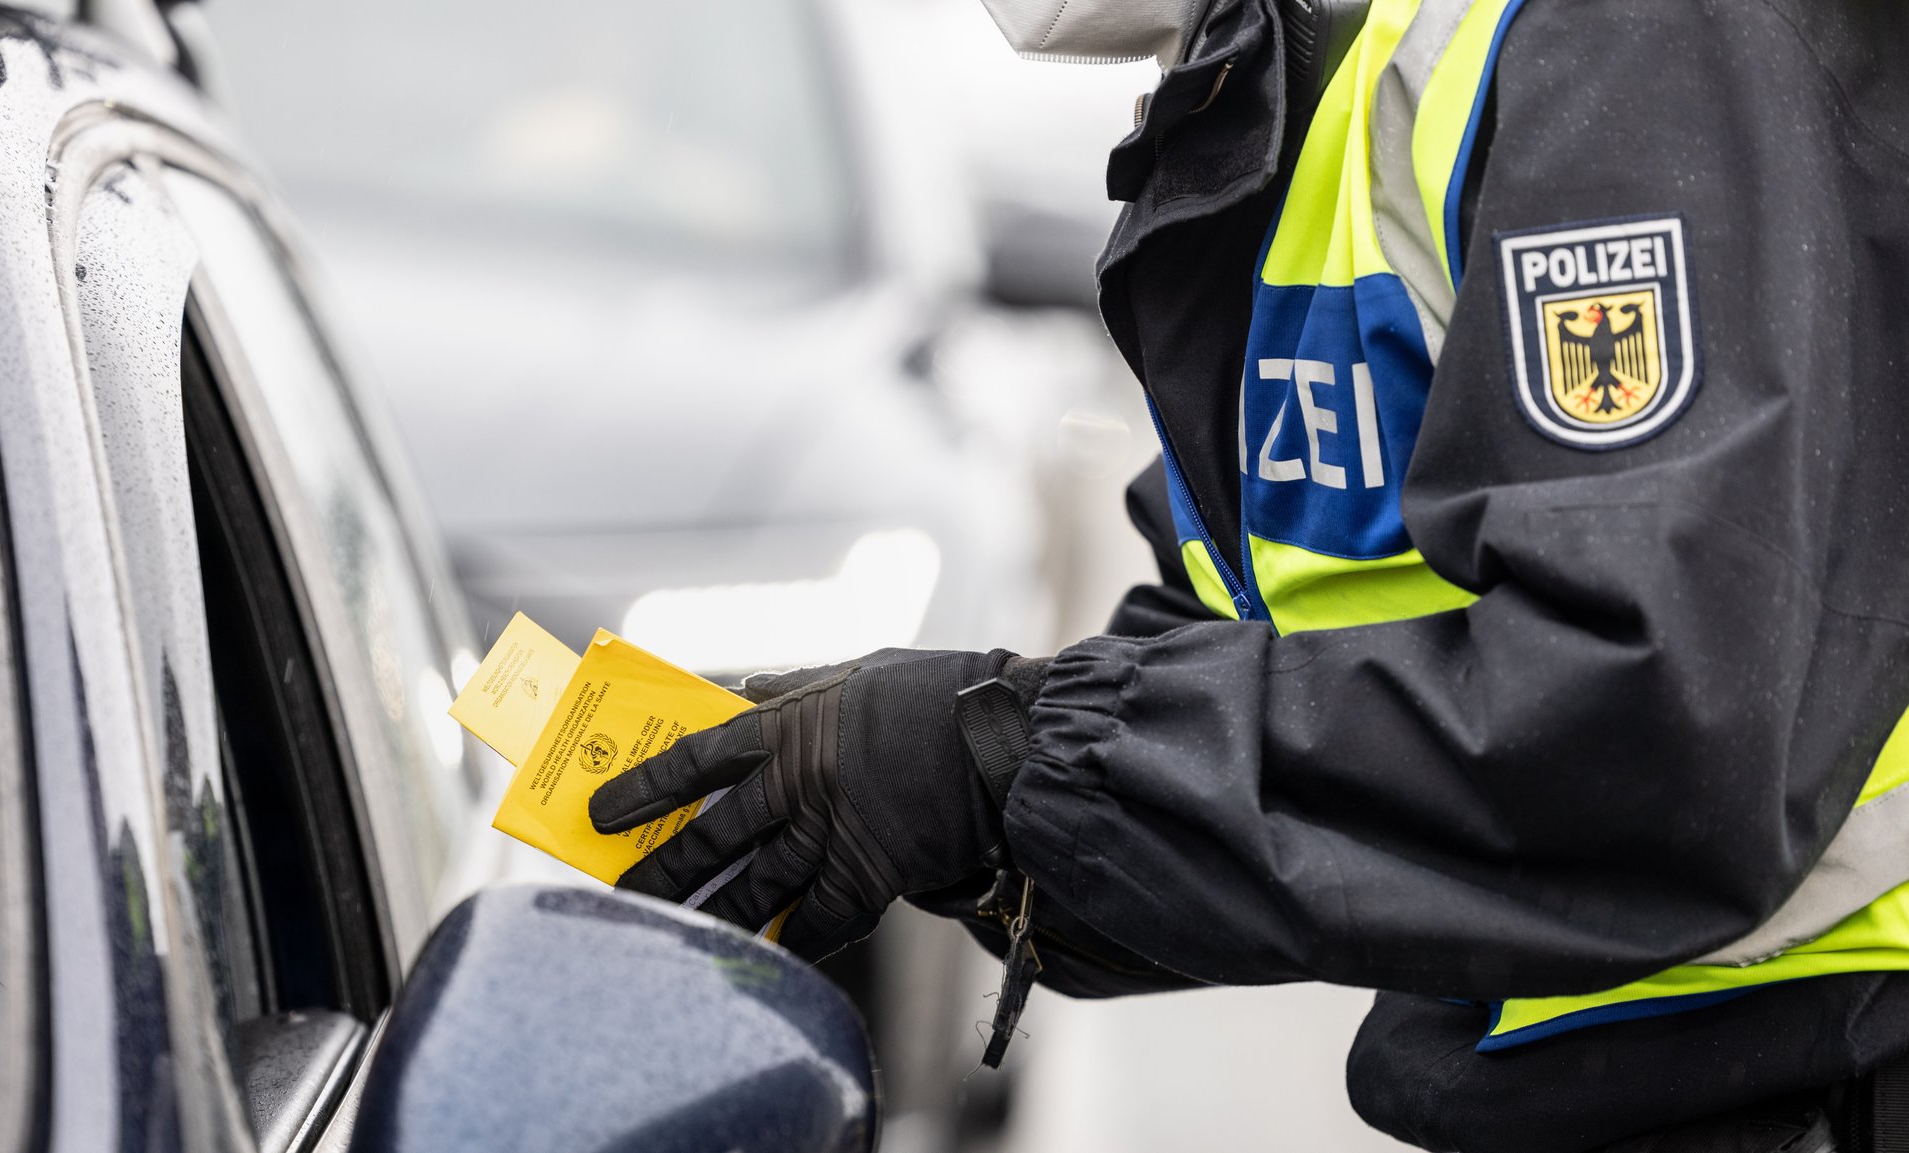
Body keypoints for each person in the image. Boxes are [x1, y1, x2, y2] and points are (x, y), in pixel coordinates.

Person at [589, 0, 1909, 1149]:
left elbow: (1657, 722)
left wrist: (999, 767)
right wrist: (941, 774)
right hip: (1655, 1083)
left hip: (1833, 1065)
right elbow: (1267, 617)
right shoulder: (1320, 75)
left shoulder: (1638, 40)